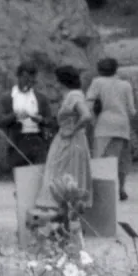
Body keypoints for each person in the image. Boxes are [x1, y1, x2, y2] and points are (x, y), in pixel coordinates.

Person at [37, 65, 94, 213]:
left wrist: (72, 130)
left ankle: (61, 216)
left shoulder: (73, 96)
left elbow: (86, 115)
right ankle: (66, 217)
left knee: (58, 175)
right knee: (68, 176)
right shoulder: (74, 94)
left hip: (69, 141)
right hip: (75, 141)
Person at [86, 57, 137, 200]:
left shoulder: (97, 82)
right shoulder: (125, 85)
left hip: (103, 124)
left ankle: (102, 191)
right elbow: (132, 110)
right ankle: (121, 188)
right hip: (122, 124)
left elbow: (88, 103)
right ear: (116, 69)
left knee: (100, 158)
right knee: (121, 159)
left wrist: (91, 119)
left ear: (99, 70)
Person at [0, 62, 51, 168]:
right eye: (25, 77)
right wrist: (15, 115)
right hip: (17, 141)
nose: (28, 81)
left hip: (37, 140)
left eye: (32, 78)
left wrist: (41, 120)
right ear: (19, 77)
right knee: (21, 176)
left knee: (38, 174)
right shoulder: (8, 98)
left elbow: (50, 120)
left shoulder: (41, 98)